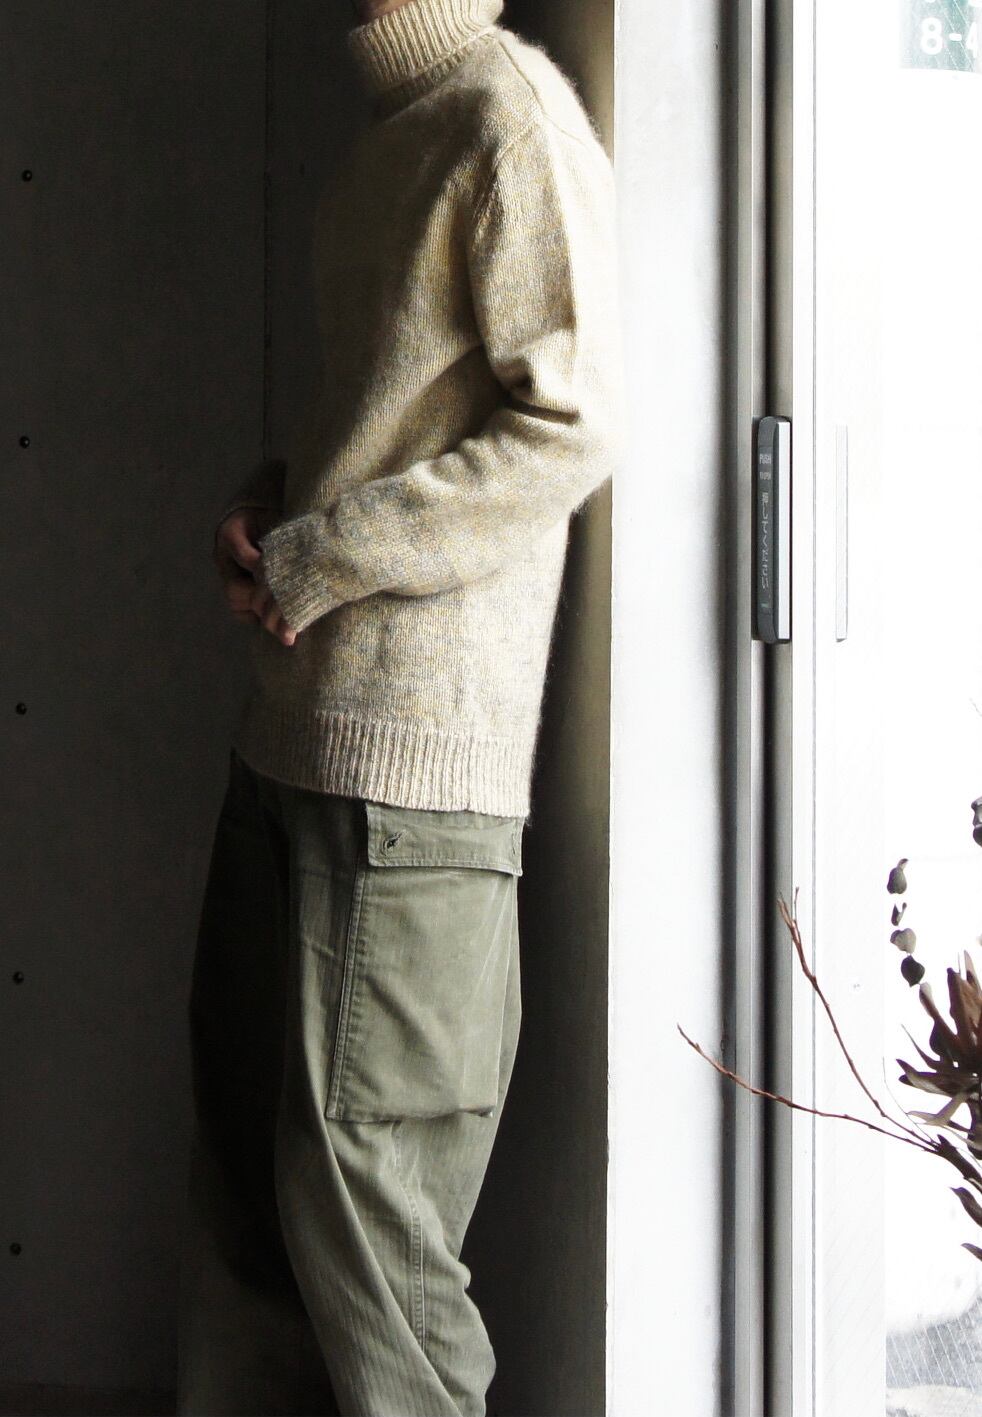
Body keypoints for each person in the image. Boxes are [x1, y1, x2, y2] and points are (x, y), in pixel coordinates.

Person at [175, 0, 623, 1412]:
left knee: (377, 1250)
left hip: (412, 775)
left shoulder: (510, 120)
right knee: (250, 1195)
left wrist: (327, 553)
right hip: (290, 735)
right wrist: (276, 508)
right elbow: (388, 419)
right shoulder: (397, 129)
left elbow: (572, 423)